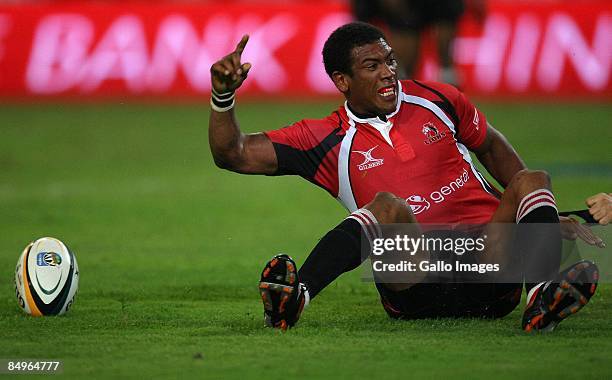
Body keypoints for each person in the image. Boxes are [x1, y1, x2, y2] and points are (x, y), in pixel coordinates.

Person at [208, 22, 603, 332]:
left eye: (390, 61)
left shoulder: (439, 98)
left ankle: (542, 296)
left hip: (489, 269)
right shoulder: (323, 138)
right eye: (372, 66)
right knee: (387, 207)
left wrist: (536, 221)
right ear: (342, 81)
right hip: (415, 281)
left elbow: (494, 149)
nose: (388, 74)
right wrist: (223, 97)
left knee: (533, 179)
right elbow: (233, 153)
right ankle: (296, 299)